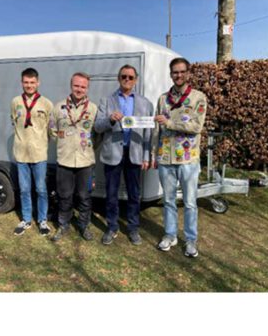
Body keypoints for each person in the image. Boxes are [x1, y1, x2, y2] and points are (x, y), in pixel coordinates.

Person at [151, 57, 207, 258]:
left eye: (182, 71)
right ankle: (170, 235)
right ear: (171, 74)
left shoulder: (198, 97)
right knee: (168, 200)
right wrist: (153, 153)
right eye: (175, 72)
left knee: (190, 202)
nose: (179, 75)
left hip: (188, 159)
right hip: (166, 158)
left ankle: (190, 239)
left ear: (188, 73)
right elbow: (156, 130)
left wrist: (170, 123)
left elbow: (196, 126)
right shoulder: (162, 99)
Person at [94, 65, 153, 246]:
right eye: (124, 76)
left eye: (130, 77)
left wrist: (146, 156)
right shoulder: (106, 101)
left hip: (134, 153)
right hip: (113, 153)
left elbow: (148, 134)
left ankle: (133, 228)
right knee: (111, 193)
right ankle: (112, 227)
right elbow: (97, 127)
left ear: (136, 80)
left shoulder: (145, 103)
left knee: (134, 194)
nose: (127, 80)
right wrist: (110, 119)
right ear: (118, 78)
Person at [49, 72, 99, 242]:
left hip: (86, 162)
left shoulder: (93, 109)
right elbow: (52, 130)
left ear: (87, 88)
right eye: (76, 85)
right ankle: (63, 225)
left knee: (85, 196)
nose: (79, 89)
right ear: (71, 86)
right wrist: (65, 144)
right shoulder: (58, 107)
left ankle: (84, 225)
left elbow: (97, 134)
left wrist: (88, 148)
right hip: (65, 161)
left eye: (83, 86)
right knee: (64, 196)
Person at [10, 68, 54, 236]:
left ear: (38, 82)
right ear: (22, 83)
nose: (29, 85)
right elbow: (14, 122)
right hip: (21, 153)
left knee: (41, 189)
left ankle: (42, 221)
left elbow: (50, 129)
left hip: (39, 154)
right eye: (26, 82)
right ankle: (26, 220)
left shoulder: (46, 104)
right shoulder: (15, 102)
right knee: (24, 189)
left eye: (32, 82)